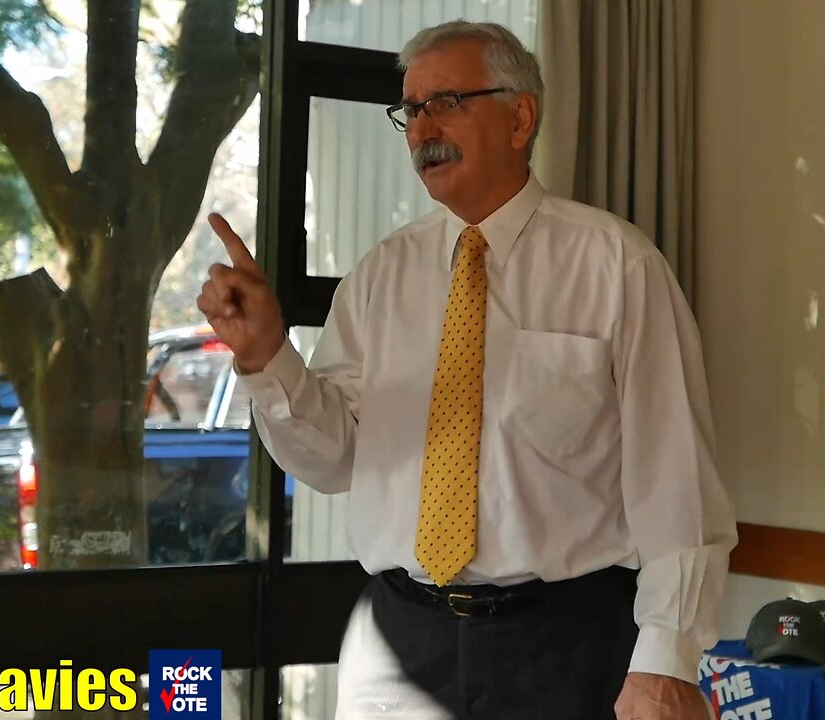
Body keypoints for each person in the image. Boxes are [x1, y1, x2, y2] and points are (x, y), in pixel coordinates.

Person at [197, 20, 736, 720]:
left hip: (566, 643)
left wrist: (665, 664)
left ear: (520, 117)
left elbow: (678, 485)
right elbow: (333, 462)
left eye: (446, 101)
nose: (421, 130)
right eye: (411, 110)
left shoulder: (616, 267)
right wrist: (268, 357)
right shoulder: (379, 277)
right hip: (398, 645)